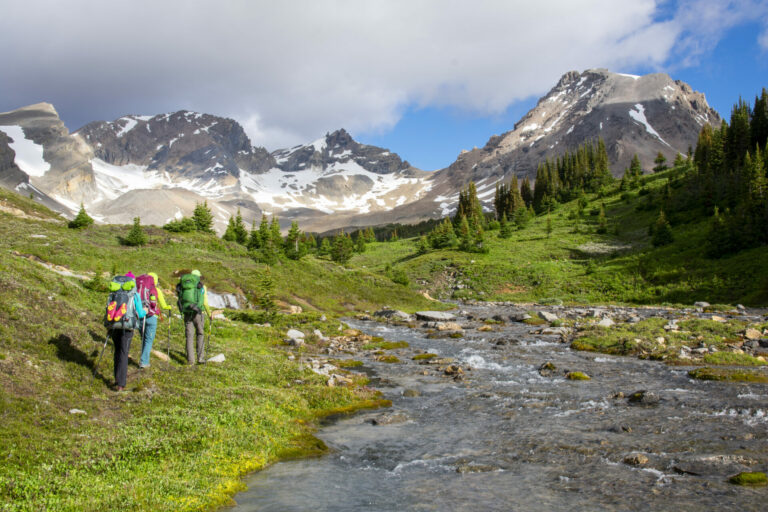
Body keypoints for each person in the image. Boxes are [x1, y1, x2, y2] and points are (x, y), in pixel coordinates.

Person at [107, 272, 146, 391]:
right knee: (124, 353)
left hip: (114, 324)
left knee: (117, 351)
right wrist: (145, 310)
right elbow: (140, 313)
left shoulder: (114, 292)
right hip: (127, 326)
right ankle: (121, 384)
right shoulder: (134, 295)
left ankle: (116, 379)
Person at [137, 272, 172, 369]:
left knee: (143, 338)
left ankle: (144, 359)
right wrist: (168, 307)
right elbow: (163, 305)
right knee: (148, 340)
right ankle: (144, 362)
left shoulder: (139, 288)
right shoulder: (156, 290)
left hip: (141, 315)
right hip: (152, 317)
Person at [176, 269, 211, 365]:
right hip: (198, 312)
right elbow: (204, 302)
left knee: (189, 336)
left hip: (187, 311)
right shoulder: (201, 286)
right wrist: (209, 313)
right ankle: (200, 358)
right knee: (200, 334)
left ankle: (190, 360)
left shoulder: (184, 285)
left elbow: (179, 299)